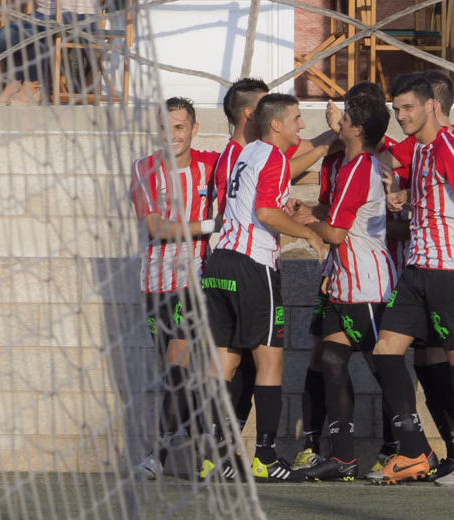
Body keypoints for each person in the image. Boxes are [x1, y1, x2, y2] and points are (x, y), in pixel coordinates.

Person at [367, 74, 454, 488]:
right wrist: (405, 199)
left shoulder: (449, 145)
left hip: (451, 270)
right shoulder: (424, 151)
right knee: (385, 350)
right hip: (416, 269)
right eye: (397, 109)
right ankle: (413, 450)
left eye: (408, 108)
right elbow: (435, 198)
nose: (401, 116)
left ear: (431, 105)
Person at [201, 93, 325, 482]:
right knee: (270, 360)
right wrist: (309, 235)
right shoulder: (272, 156)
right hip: (251, 265)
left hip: (218, 261)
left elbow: (250, 201)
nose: (301, 126)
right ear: (277, 124)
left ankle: (214, 458)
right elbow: (266, 212)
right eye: (297, 118)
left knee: (225, 360)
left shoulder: (245, 152)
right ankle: (266, 457)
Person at [295, 92, 394, 482]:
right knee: (331, 360)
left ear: (357, 127)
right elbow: (336, 222)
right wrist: (309, 216)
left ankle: (409, 447)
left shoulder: (360, 167)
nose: (339, 120)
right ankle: (343, 456)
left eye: (346, 116)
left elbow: (335, 233)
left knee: (385, 369)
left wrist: (306, 224)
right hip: (343, 283)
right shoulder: (348, 164)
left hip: (368, 286)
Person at [129, 96, 220, 479]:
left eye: (180, 127)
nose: (172, 135)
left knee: (177, 368)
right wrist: (210, 226)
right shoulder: (144, 168)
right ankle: (207, 453)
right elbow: (156, 228)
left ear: (193, 130)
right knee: (174, 375)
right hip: (154, 284)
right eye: (166, 128)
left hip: (192, 282)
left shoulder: (211, 165)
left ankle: (159, 456)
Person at [0, 0, 97, 104]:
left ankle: (33, 84)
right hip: (42, 14)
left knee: (31, 34)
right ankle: (14, 82)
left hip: (80, 15)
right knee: (4, 35)